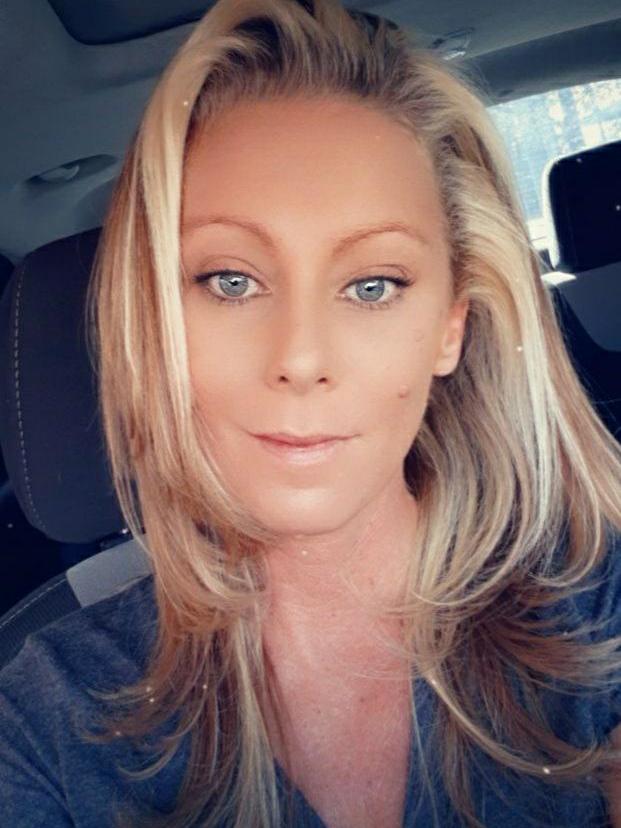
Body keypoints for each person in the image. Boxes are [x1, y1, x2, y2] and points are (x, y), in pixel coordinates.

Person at [1, 0, 620, 826]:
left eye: (372, 285)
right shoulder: (46, 721)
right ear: (155, 324)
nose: (299, 357)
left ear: (449, 328)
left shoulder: (597, 609)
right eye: (230, 280)